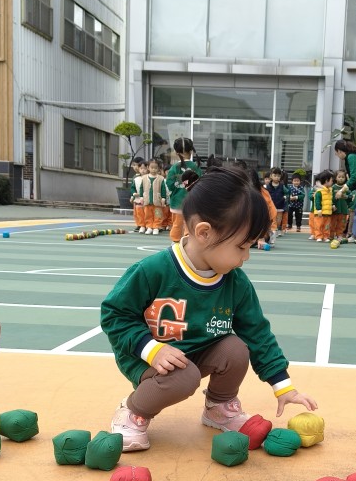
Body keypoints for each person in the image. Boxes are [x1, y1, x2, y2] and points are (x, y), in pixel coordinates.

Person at [101, 163, 317, 452]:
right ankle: (133, 410)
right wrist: (150, 349)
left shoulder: (235, 282)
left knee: (236, 348)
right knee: (184, 376)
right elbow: (114, 314)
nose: (246, 257)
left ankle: (218, 407)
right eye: (242, 247)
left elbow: (257, 333)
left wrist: (283, 386)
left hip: (197, 352)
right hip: (151, 358)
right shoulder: (154, 270)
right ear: (204, 233)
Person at [166, 137, 201, 243]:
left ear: (176, 153)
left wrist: (174, 192)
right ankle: (188, 242)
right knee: (189, 224)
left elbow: (169, 183)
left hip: (177, 202)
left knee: (177, 224)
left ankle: (175, 243)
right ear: (191, 151)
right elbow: (200, 182)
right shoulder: (195, 167)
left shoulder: (174, 168)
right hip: (192, 202)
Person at [141, 158, 166, 235]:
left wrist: (163, 198)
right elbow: (141, 188)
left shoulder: (161, 178)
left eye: (155, 168)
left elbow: (163, 189)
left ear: (158, 168)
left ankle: (156, 227)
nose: (154, 169)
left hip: (157, 201)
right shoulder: (144, 178)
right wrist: (141, 197)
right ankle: (149, 227)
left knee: (158, 214)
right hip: (147, 200)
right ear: (148, 167)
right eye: (152, 167)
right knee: (148, 215)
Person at [312, 171, 335, 242]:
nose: (332, 182)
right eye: (331, 180)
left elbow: (330, 199)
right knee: (318, 225)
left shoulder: (330, 191)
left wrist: (332, 205)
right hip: (320, 213)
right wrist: (319, 209)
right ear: (326, 181)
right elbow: (317, 201)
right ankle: (319, 236)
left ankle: (326, 236)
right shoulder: (319, 191)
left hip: (327, 212)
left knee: (327, 226)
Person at [265, 168, 287, 239]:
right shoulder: (267, 186)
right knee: (271, 219)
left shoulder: (282, 186)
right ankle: (273, 230)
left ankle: (277, 229)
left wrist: (285, 197)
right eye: (275, 175)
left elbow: (287, 193)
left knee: (278, 220)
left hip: (280, 205)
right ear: (271, 176)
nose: (277, 177)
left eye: (278, 176)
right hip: (271, 206)